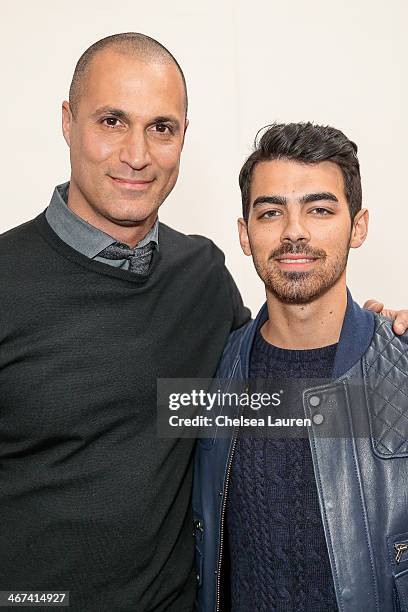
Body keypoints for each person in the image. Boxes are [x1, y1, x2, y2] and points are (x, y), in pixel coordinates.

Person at [0, 34, 405, 612]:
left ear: (183, 136)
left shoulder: (203, 278)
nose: (136, 153)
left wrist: (386, 347)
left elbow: (286, 401)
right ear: (68, 122)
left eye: (161, 127)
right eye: (112, 120)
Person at [193, 122, 408, 612]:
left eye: (320, 209)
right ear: (245, 235)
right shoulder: (213, 372)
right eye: (271, 212)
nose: (295, 231)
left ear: (359, 226)